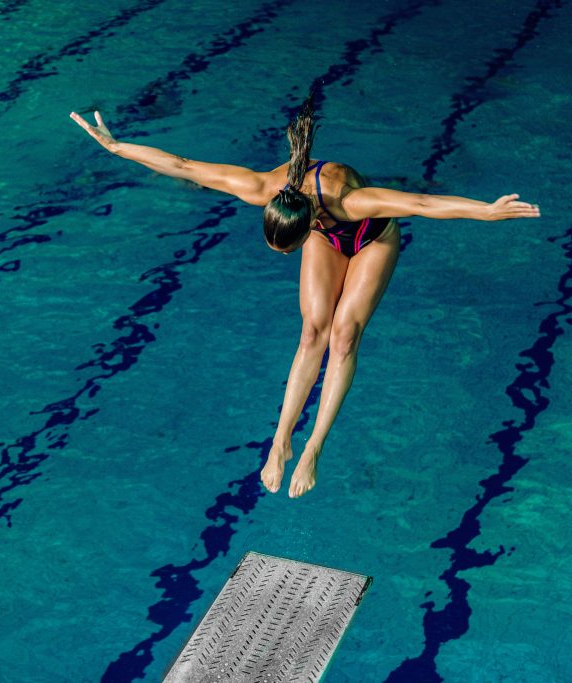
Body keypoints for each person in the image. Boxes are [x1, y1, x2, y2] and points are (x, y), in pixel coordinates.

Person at [70, 94, 540, 498]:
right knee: (312, 332)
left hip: (371, 237)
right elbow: (185, 166)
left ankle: (313, 446)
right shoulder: (262, 189)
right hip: (324, 234)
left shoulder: (352, 201)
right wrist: (116, 147)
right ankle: (281, 442)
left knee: (344, 335)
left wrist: (486, 213)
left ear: (306, 222)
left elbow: (420, 204)